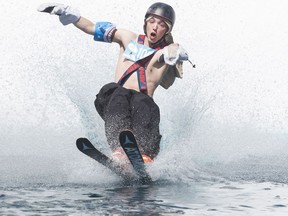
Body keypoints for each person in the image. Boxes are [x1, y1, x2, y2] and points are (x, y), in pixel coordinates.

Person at [38, 2, 190, 163]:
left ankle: (144, 156)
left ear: (167, 30)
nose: (155, 28)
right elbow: (91, 27)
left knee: (143, 103)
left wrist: (176, 53)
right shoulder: (128, 38)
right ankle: (118, 150)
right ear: (145, 23)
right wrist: (69, 14)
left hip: (142, 106)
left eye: (161, 25)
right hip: (116, 101)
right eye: (152, 22)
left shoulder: (165, 51)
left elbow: (174, 49)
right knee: (115, 91)